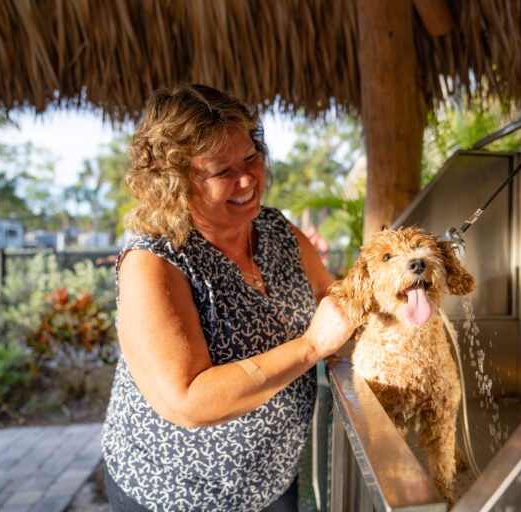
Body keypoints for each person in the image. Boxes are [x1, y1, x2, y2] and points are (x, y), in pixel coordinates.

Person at [101, 83, 355, 511]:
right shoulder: (154, 262)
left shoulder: (276, 230)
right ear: (174, 184)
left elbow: (333, 296)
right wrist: (312, 346)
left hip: (271, 480)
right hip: (177, 495)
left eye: (251, 158)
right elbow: (188, 401)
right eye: (222, 171)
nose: (247, 180)